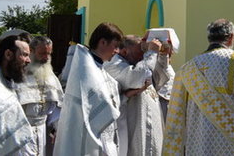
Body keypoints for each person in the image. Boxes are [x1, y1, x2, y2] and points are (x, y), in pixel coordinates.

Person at [164, 18, 234, 155]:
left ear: (210, 38)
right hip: (232, 145)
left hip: (199, 146)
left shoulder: (186, 69)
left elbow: (176, 114)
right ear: (231, 37)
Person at [54, 22, 123, 156]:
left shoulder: (99, 69)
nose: (117, 51)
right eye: (115, 46)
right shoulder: (85, 69)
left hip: (103, 137)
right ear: (103, 42)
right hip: (86, 138)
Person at [103, 34, 164, 155]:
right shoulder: (112, 65)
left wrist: (163, 55)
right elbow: (138, 77)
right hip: (132, 128)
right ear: (125, 52)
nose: (143, 55)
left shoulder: (142, 63)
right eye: (140, 51)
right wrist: (151, 52)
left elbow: (160, 80)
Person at [15, 35, 64, 156]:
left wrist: (57, 128)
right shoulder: (17, 75)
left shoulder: (50, 76)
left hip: (42, 131)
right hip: (21, 132)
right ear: (31, 51)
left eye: (49, 53)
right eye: (42, 53)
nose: (46, 58)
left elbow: (57, 106)